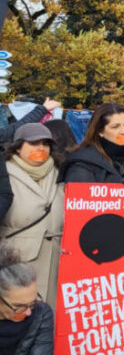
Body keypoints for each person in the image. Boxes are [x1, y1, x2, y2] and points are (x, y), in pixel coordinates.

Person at [0, 124, 65, 302]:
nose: (41, 148)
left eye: (45, 143)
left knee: (50, 317)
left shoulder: (61, 174)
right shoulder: (4, 173)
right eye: (33, 143)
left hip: (56, 260)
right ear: (18, 147)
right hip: (15, 261)